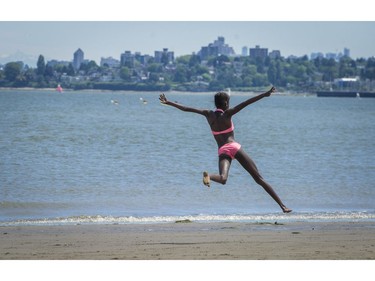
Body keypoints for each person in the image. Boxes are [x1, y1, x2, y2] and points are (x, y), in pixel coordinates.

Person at [159, 87, 292, 213]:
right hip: (234, 147)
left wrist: (169, 102)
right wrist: (265, 94)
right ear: (226, 103)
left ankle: (209, 176)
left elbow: (187, 109)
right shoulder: (228, 114)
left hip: (223, 150)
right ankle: (283, 206)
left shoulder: (208, 114)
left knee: (223, 179)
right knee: (259, 179)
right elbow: (247, 102)